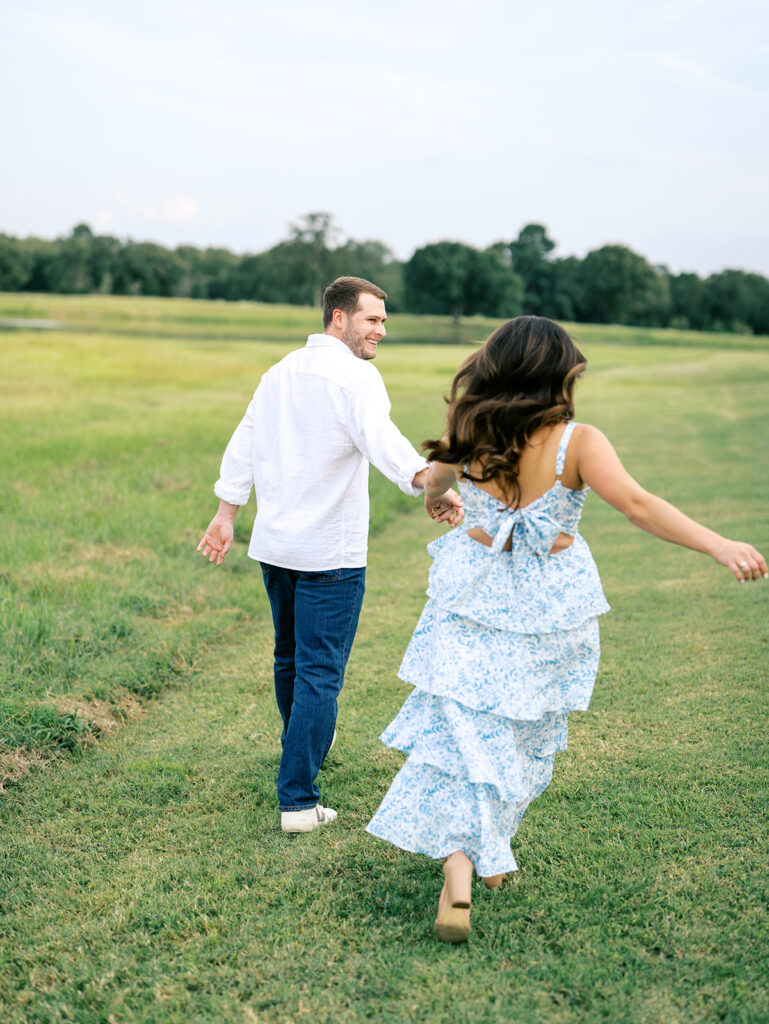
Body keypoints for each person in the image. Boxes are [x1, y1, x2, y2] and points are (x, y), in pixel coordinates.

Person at [365, 315, 767, 943]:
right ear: (558, 375)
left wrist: (438, 497)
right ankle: (475, 858)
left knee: (462, 729)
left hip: (472, 594)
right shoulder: (577, 441)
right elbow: (637, 505)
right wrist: (718, 545)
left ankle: (466, 863)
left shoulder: (470, 428)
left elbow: (436, 481)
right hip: (548, 606)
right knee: (521, 733)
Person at [197, 276, 463, 834]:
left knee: (290, 660)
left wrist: (226, 515)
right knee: (318, 673)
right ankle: (298, 798)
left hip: (276, 547)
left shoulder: (279, 372)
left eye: (384, 321)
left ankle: (304, 742)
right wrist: (428, 482)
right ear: (338, 319)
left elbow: (242, 444)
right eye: (372, 320)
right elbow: (383, 439)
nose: (381, 331)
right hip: (330, 554)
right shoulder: (356, 377)